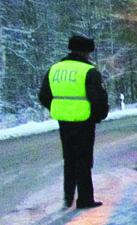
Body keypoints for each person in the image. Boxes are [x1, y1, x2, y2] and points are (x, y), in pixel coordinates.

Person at [38, 34, 109, 209]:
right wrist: (97, 116)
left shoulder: (54, 69)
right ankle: (85, 199)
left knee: (69, 159)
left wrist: (59, 109)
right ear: (86, 52)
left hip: (64, 122)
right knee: (84, 160)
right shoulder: (88, 71)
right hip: (84, 122)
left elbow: (44, 96)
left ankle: (68, 196)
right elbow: (97, 100)